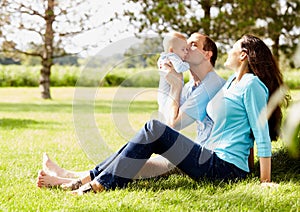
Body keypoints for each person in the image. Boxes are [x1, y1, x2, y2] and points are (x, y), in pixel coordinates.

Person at [38, 34, 285, 195]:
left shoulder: (252, 85)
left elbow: (259, 131)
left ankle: (97, 185)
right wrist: (170, 81)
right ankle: (90, 181)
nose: (229, 51)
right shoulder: (232, 82)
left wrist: (263, 180)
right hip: (211, 157)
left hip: (225, 167)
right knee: (152, 132)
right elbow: (242, 131)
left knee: (155, 129)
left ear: (243, 55)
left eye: (233, 47)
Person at [156, 31, 190, 121]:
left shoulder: (164, 57)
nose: (186, 52)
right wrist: (189, 64)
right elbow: (179, 68)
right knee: (167, 113)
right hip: (168, 92)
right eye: (183, 49)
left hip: (164, 91)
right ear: (172, 50)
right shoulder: (172, 57)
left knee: (163, 113)